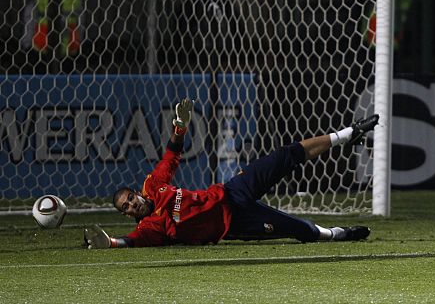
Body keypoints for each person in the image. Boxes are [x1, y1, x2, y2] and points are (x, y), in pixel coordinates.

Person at [84, 99, 378, 249]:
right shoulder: (151, 227)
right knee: (300, 229)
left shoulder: (154, 186)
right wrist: (110, 243)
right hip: (234, 223)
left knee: (284, 155)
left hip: (231, 191)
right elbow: (133, 241)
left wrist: (180, 127)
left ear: (136, 192)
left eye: (130, 198)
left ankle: (347, 133)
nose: (132, 204)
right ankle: (338, 235)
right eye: (127, 206)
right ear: (127, 214)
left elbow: (171, 157)